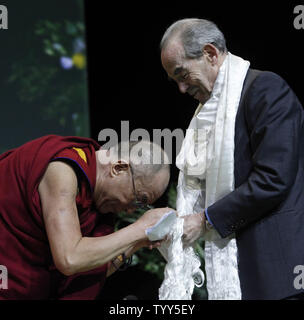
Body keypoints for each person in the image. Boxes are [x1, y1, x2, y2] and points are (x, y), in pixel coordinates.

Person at [160, 18, 304, 300]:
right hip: (244, 268)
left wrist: (204, 220)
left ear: (211, 54)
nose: (181, 89)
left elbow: (273, 180)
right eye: (174, 80)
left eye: (183, 74)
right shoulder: (208, 113)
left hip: (276, 272)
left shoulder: (265, 90)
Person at [0, 135, 172, 299]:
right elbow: (70, 258)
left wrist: (139, 241)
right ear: (118, 168)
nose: (130, 211)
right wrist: (140, 229)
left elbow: (89, 270)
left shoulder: (98, 206)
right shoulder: (63, 169)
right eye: (139, 200)